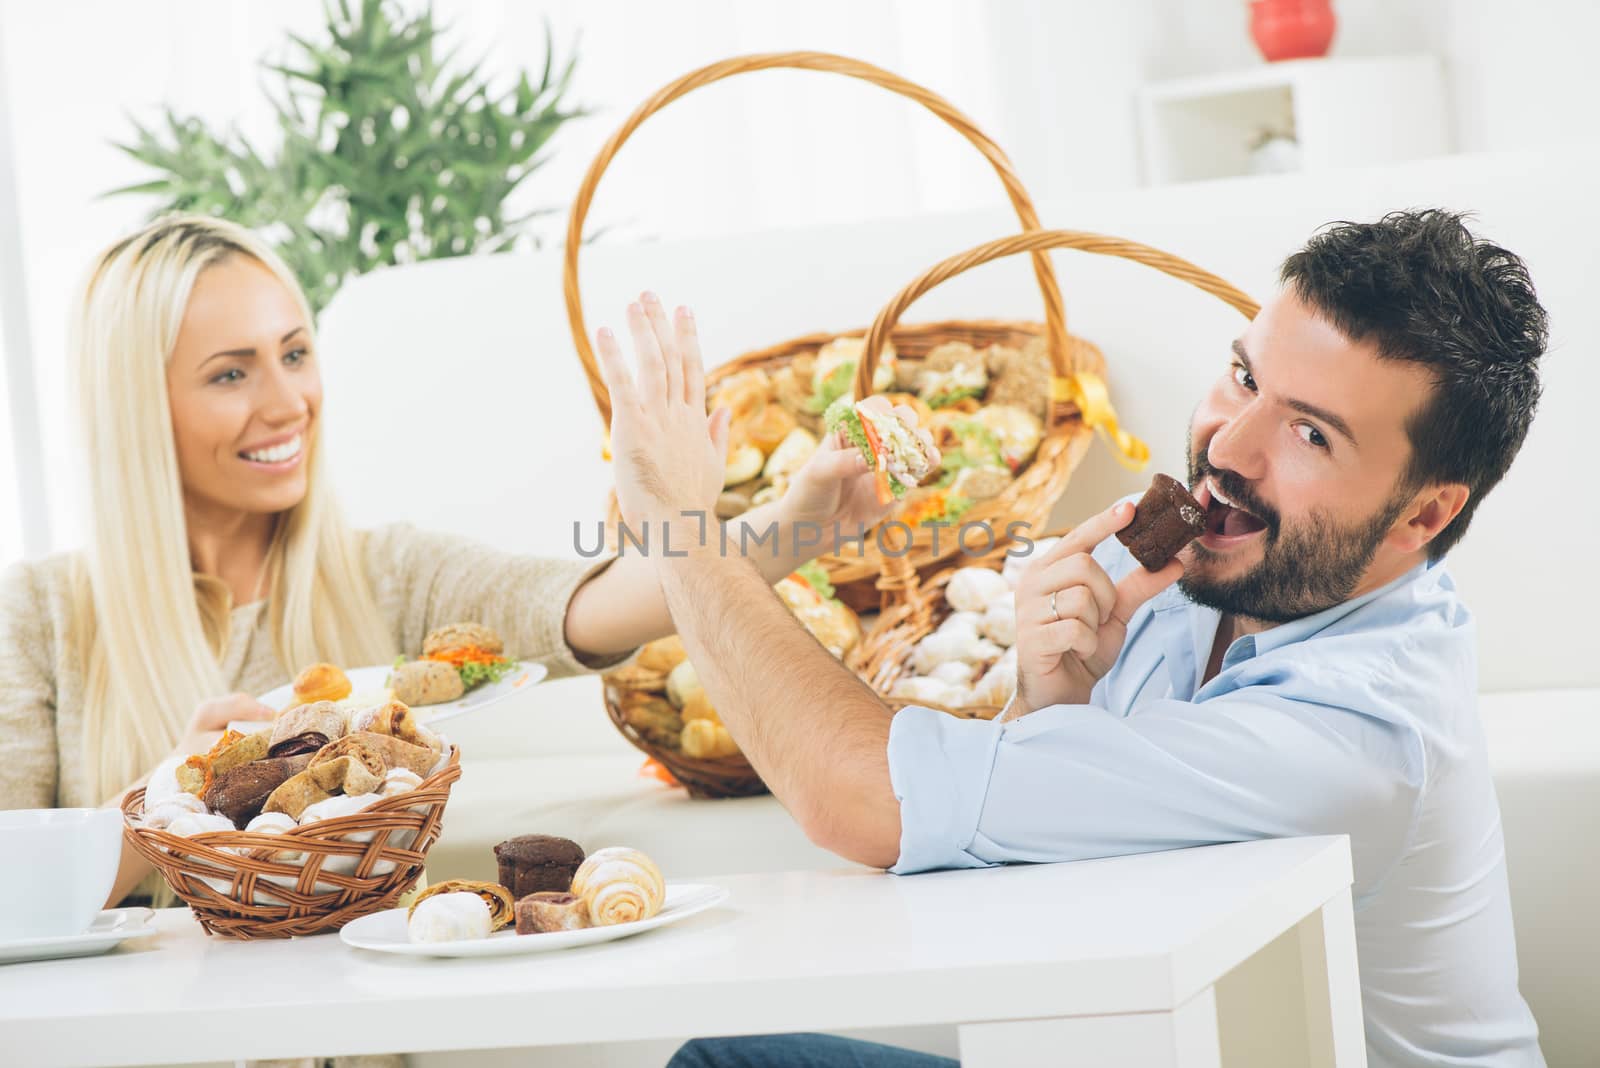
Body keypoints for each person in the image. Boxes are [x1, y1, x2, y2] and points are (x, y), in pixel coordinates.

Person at [590, 211, 1548, 1067]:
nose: (1226, 446)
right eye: (1245, 377)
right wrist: (1051, 703)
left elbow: (858, 798)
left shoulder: (1360, 737)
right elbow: (1018, 886)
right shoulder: (1204, 586)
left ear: (1422, 516)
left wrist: (681, 526)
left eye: (1310, 437)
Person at [0, 214, 917, 908]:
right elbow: (16, 897)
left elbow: (581, 609)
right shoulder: (35, 621)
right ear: (134, 406)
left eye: (295, 354)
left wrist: (786, 534)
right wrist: (174, 795)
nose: (289, 403)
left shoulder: (387, 573)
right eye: (231, 374)